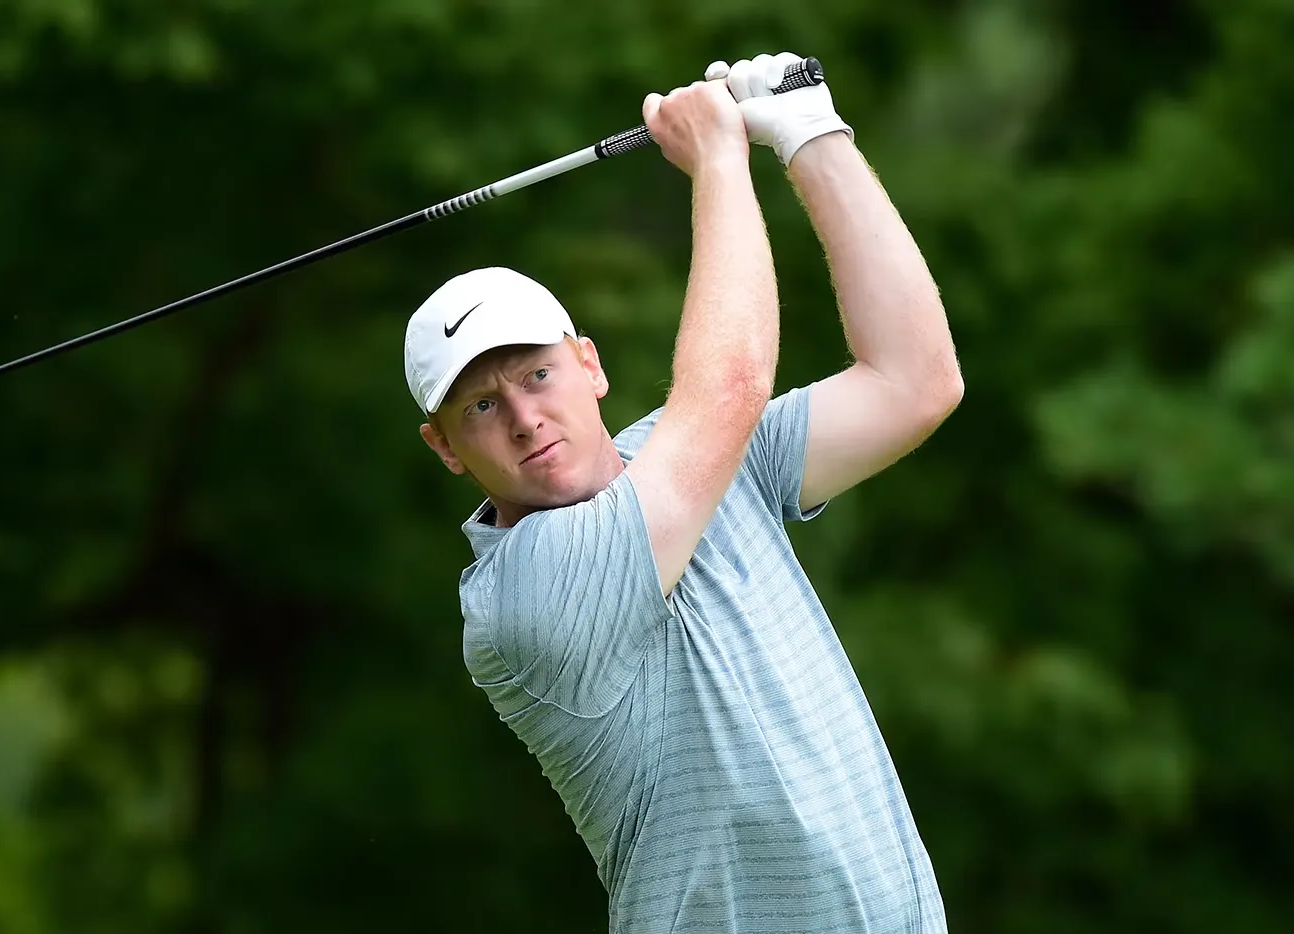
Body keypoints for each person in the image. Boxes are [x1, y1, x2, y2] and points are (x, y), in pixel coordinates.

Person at [401, 51, 962, 933]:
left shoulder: (703, 456)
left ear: (589, 365)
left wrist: (812, 135)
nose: (524, 419)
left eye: (537, 374)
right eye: (481, 405)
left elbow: (914, 381)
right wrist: (719, 157)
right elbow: (729, 387)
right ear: (445, 447)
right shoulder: (522, 598)